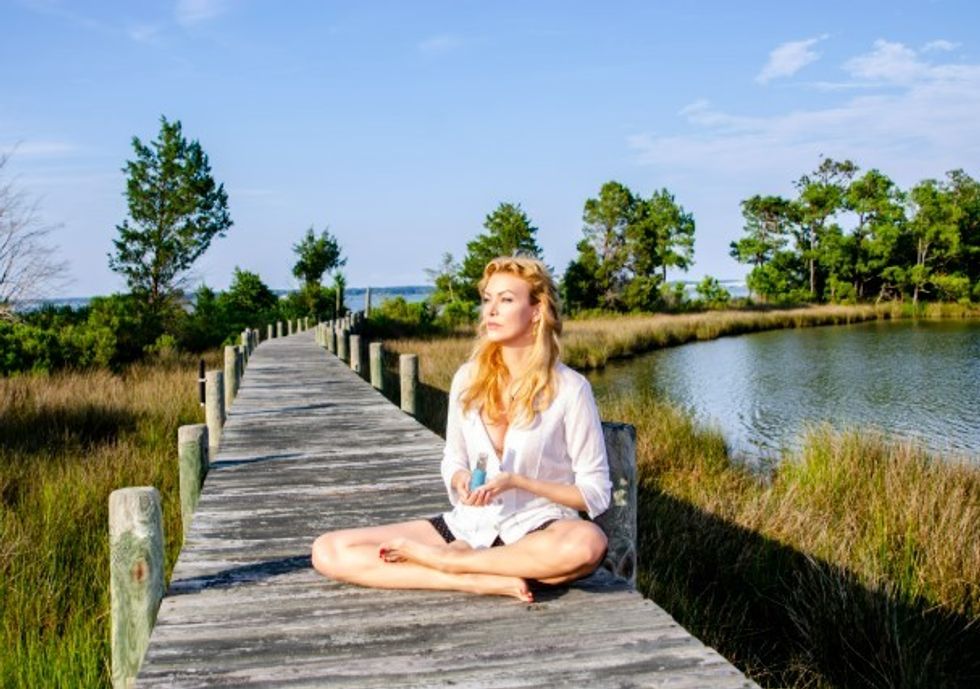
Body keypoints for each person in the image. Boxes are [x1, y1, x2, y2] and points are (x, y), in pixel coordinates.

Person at [311, 256, 611, 602]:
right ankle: (470, 578)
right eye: (487, 299)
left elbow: (594, 493)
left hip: (538, 526)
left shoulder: (570, 389)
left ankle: (459, 563)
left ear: (537, 310)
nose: (491, 310)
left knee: (587, 544)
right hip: (470, 525)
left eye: (506, 299)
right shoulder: (468, 379)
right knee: (329, 550)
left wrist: (518, 481)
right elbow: (453, 458)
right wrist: (460, 479)